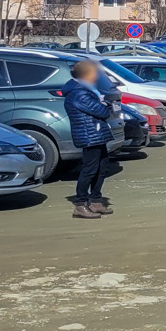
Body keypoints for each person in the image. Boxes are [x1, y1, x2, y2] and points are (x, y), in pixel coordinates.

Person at [62, 59, 120, 219]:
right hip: (89, 135)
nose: (96, 76)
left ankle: (95, 200)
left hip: (96, 134)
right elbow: (102, 112)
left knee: (103, 167)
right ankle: (80, 204)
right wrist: (105, 105)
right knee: (89, 169)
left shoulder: (86, 91)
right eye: (94, 73)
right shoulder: (79, 93)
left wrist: (103, 104)